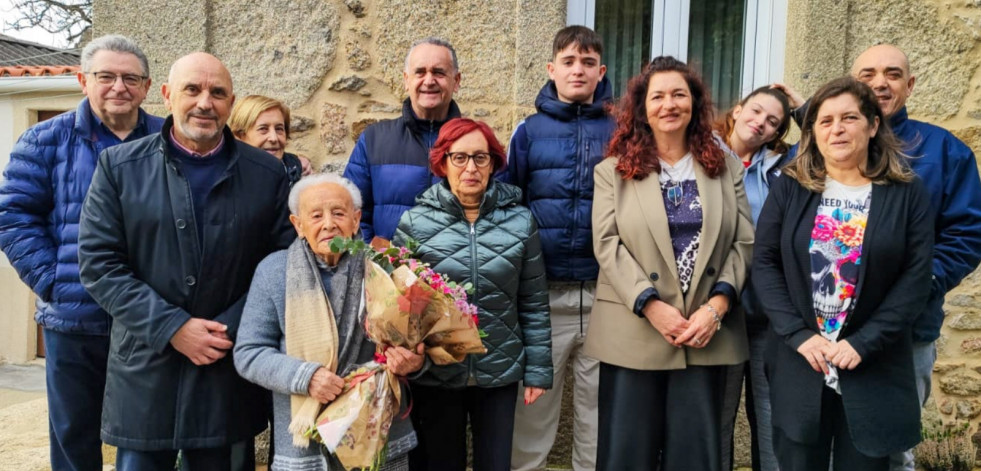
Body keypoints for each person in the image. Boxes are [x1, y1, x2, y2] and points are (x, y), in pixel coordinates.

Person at [77, 52, 295, 471]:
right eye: (192, 89)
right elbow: (100, 264)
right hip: (146, 366)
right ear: (165, 95)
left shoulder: (267, 175)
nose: (204, 102)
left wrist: (229, 328)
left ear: (231, 103)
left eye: (217, 93)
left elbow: (282, 265)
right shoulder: (119, 167)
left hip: (226, 366)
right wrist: (172, 327)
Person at [777, 44, 981, 470]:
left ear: (909, 85)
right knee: (806, 447)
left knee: (885, 451)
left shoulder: (943, 152)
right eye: (868, 74)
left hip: (903, 333)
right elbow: (778, 247)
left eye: (892, 74)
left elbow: (965, 237)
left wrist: (912, 287)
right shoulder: (807, 160)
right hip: (814, 340)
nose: (880, 82)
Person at [753, 76, 934, 470]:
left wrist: (863, 343)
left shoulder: (908, 193)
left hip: (873, 366)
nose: (837, 129)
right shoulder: (790, 188)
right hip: (802, 363)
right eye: (825, 120)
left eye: (849, 117)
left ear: (872, 126)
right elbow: (765, 263)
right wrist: (799, 336)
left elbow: (916, 278)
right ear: (813, 132)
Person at [0, 34, 163, 471]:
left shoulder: (168, 141)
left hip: (148, 318)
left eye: (130, 78)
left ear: (146, 87)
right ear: (82, 80)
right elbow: (13, 215)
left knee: (145, 437)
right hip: (75, 318)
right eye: (105, 76)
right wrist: (54, 281)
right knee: (74, 435)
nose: (118, 87)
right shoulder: (44, 141)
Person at [584, 56, 753, 471]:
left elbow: (744, 241)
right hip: (633, 332)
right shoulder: (613, 172)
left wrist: (717, 307)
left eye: (679, 94)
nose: (669, 104)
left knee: (696, 456)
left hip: (705, 333)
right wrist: (650, 305)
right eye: (657, 96)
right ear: (641, 109)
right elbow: (607, 245)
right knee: (627, 456)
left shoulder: (725, 167)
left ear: (694, 103)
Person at [392, 118, 552, 471]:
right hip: (438, 371)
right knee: (438, 463)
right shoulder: (414, 223)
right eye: (459, 157)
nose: (470, 168)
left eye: (481, 158)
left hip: (499, 369)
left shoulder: (521, 222)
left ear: (494, 163)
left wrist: (539, 370)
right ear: (443, 163)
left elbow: (534, 302)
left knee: (495, 463)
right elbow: (397, 304)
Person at [235, 173, 422, 470]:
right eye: (316, 215)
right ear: (298, 225)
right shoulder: (274, 272)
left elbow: (415, 341)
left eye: (338, 213)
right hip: (306, 446)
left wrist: (412, 361)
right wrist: (306, 377)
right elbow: (248, 352)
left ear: (356, 219)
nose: (329, 224)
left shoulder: (384, 267)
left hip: (376, 433)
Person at [505, 25, 612, 471]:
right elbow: (510, 202)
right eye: (569, 61)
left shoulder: (623, 130)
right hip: (544, 295)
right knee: (534, 406)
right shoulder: (528, 132)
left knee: (598, 410)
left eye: (588, 62)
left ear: (600, 71)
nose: (578, 70)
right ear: (552, 69)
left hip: (608, 293)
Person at [713, 86, 793, 471]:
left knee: (769, 411)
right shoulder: (704, 152)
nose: (759, 122)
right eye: (756, 111)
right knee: (718, 417)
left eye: (772, 121)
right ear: (739, 108)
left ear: (777, 133)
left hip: (767, 311)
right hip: (719, 311)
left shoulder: (784, 167)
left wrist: (805, 108)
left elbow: (831, 138)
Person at [343, 37, 462, 247]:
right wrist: (378, 259)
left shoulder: (477, 143)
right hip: (389, 274)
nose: (429, 80)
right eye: (420, 72)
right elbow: (350, 210)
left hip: (456, 276)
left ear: (456, 81)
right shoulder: (374, 139)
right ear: (406, 80)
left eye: (439, 72)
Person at [229, 94, 312, 185]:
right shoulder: (226, 178)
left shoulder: (299, 174)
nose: (274, 138)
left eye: (279, 129)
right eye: (263, 129)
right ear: (240, 135)